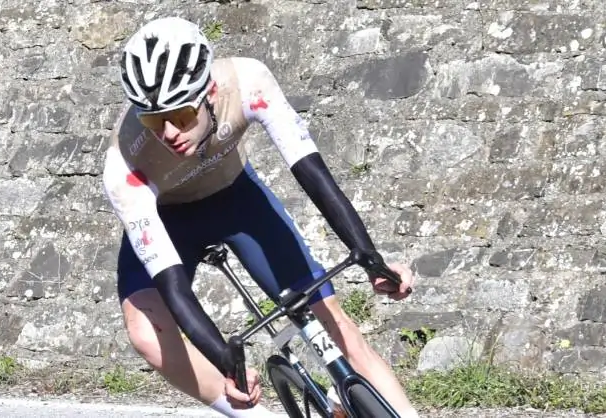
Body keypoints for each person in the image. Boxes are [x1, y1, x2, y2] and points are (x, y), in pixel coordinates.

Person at [102, 16, 420, 418]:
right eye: (153, 120)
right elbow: (173, 287)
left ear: (209, 92)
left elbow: (312, 174)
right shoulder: (123, 165)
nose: (168, 133)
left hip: (239, 202)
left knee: (338, 327)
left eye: (181, 116)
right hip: (168, 220)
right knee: (146, 332)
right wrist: (225, 360)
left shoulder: (246, 82)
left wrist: (371, 258)